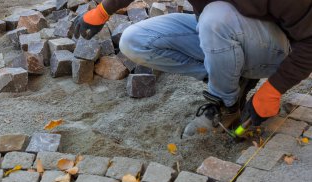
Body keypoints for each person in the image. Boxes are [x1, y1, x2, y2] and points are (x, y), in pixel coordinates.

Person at [74, 0, 312, 137]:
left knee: (215, 17)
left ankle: (226, 104)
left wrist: (274, 88)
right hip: (220, 30)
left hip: (274, 50)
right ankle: (231, 79)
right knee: (134, 40)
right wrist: (103, 11)